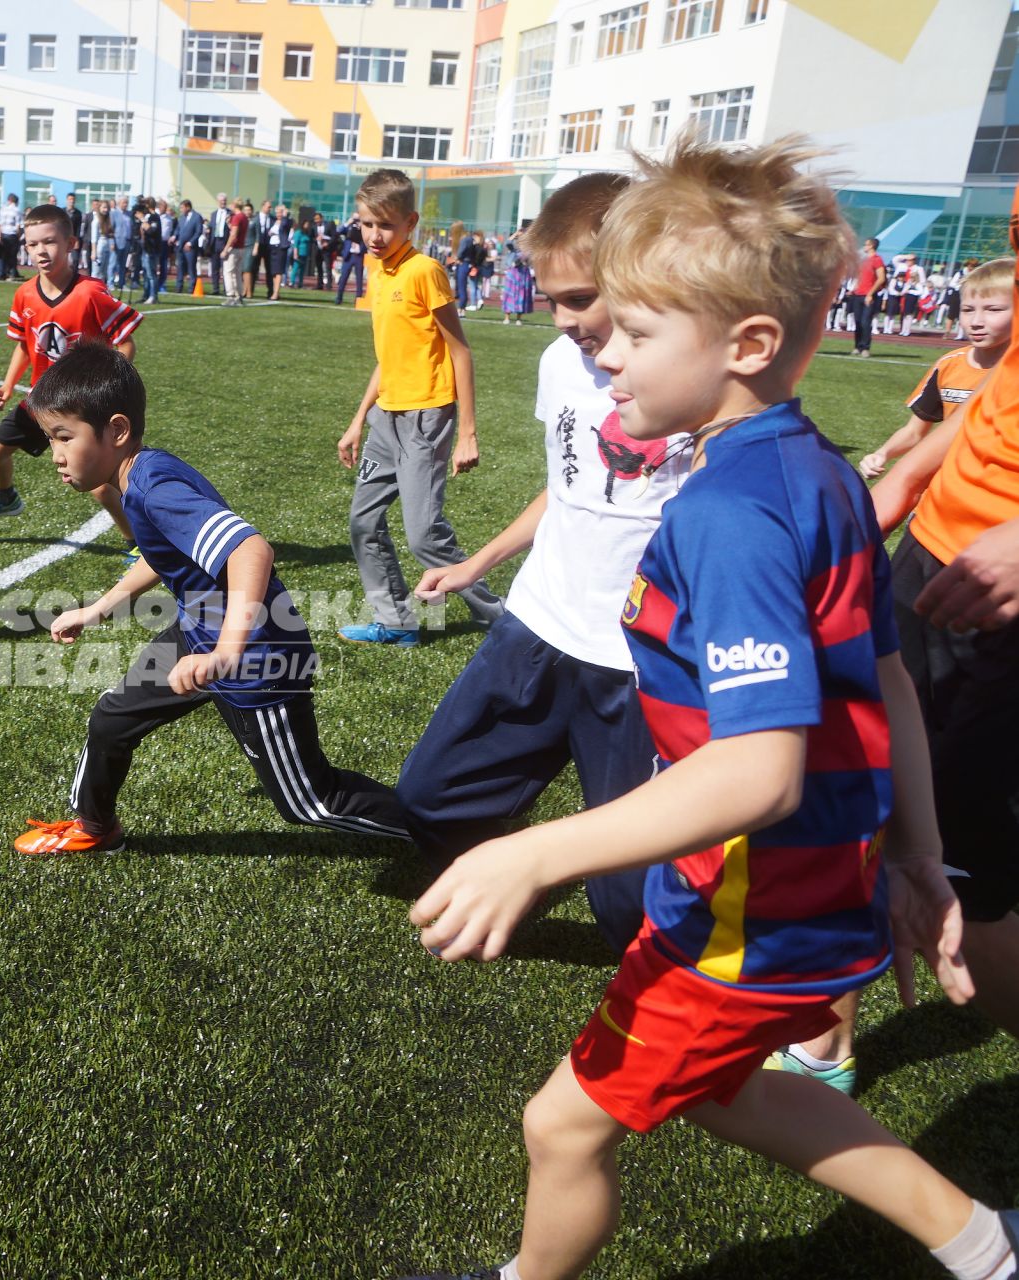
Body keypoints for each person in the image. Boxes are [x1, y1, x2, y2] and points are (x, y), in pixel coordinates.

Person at [402, 134, 1011, 1280]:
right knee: (727, 1090)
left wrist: (531, 854)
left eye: (632, 332)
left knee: (560, 1123)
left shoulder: (726, 512)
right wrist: (919, 854)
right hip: (793, 884)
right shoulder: (817, 469)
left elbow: (758, 769)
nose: (606, 358)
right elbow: (880, 679)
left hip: (747, 900)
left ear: (745, 344)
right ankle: (982, 1245)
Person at [395, 174, 684, 960]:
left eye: (581, 298)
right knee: (429, 802)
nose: (562, 321)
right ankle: (535, 859)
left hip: (636, 662)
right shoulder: (563, 361)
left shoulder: (693, 384)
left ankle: (577, 854)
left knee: (630, 912)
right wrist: (479, 562)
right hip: (540, 623)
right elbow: (567, 488)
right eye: (550, 297)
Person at [9, 344, 411, 855]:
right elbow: (165, 552)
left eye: (64, 437)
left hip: (255, 655)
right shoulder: (139, 478)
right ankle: (95, 826)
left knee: (311, 801)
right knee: (113, 718)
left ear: (116, 430)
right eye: (51, 439)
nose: (57, 456)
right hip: (197, 633)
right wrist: (97, 608)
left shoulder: (153, 489)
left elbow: (250, 549)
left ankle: (460, 840)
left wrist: (226, 651)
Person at [869, 191, 1019, 1043]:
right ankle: (827, 1035)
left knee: (962, 860)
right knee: (867, 776)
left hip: (1003, 599)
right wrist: (902, 488)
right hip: (928, 553)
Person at [336, 168, 501, 645]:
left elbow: (460, 351)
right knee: (363, 522)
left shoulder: (424, 271)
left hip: (426, 420)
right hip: (384, 420)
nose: (373, 235)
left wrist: (467, 432)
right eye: (366, 224)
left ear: (409, 223)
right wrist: (356, 422)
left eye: (384, 225)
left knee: (424, 535)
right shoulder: (376, 270)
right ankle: (396, 621)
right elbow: (388, 359)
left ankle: (502, 621)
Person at [0, 203, 142, 553]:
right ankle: (5, 496)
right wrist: (8, 385)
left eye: (50, 241)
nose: (41, 250)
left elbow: (125, 344)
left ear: (71, 243)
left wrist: (103, 387)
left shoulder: (91, 293)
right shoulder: (25, 293)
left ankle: (137, 543)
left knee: (101, 486)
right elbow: (26, 348)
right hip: (42, 400)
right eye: (32, 244)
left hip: (81, 407)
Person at [861, 258, 1013, 479]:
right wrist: (882, 454)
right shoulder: (949, 363)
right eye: (968, 310)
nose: (977, 321)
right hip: (943, 487)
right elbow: (915, 431)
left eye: (993, 309)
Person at [852, 235, 886, 357]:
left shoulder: (877, 260)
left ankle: (865, 347)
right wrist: (855, 287)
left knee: (865, 322)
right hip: (858, 294)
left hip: (868, 295)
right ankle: (857, 346)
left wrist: (870, 293)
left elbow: (881, 278)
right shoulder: (864, 260)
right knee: (857, 321)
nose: (864, 247)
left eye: (866, 244)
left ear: (871, 246)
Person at [501, 221, 534, 324]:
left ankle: (518, 318)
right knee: (510, 294)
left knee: (521, 294)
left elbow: (528, 257)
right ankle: (507, 317)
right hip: (513, 273)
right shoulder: (514, 248)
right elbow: (507, 243)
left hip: (523, 273)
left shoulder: (528, 248)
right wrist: (515, 234)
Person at [334, 214, 366, 305]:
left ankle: (358, 299)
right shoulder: (349, 227)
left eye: (358, 218)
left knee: (359, 278)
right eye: (355, 218)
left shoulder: (364, 228)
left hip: (359, 255)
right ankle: (339, 298)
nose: (356, 220)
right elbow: (339, 231)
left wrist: (362, 226)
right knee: (343, 277)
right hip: (349, 255)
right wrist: (348, 222)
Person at [222, 198, 249, 306]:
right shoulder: (244, 217)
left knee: (228, 272)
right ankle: (239, 296)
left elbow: (233, 235)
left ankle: (230, 296)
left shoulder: (237, 217)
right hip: (241, 248)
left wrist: (225, 249)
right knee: (237, 273)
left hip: (234, 248)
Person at [0, 192, 24, 282]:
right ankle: (11, 274)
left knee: (2, 255)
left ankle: (1, 274)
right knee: (12, 256)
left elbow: (0, 224)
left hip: (3, 234)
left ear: (9, 200)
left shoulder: (3, 209)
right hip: (12, 235)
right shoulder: (17, 210)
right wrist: (19, 236)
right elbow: (18, 226)